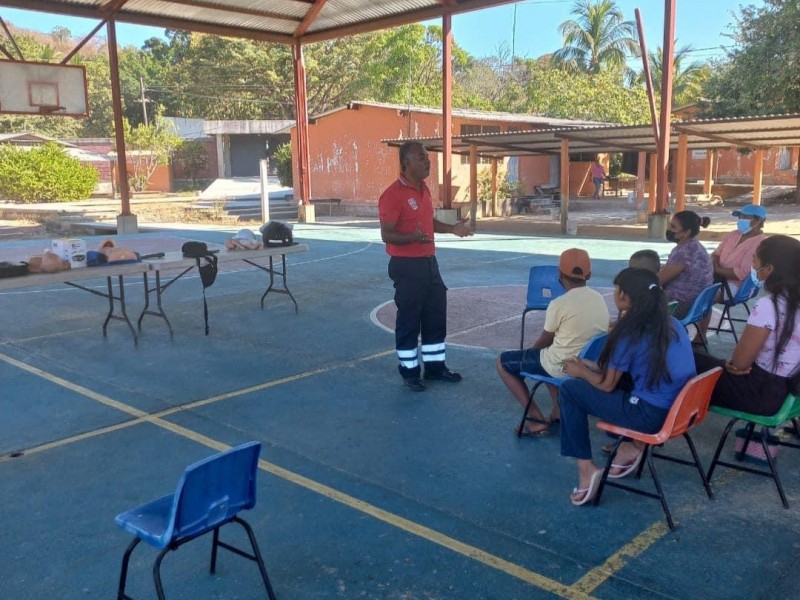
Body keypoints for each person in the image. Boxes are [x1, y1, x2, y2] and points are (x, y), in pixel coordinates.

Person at [558, 268, 696, 505]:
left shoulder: (630, 332)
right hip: (680, 410)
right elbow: (629, 368)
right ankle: (634, 446)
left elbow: (606, 385)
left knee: (570, 390)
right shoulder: (672, 324)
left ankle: (586, 469)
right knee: (612, 384)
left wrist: (580, 371)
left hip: (649, 416)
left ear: (622, 295)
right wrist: (591, 366)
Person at [379, 141, 473, 392]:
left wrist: (453, 229)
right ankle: (409, 371)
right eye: (421, 158)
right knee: (409, 320)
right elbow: (386, 234)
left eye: (427, 157)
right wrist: (412, 238)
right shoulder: (393, 195)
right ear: (406, 163)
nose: (427, 161)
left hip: (429, 263)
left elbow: (428, 223)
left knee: (435, 315)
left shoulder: (424, 190)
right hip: (406, 267)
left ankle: (435, 368)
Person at [496, 249, 609, 435]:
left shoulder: (559, 304)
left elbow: (543, 341)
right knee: (550, 352)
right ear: (588, 274)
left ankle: (535, 420)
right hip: (586, 364)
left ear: (559, 274)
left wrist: (529, 353)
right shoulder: (599, 299)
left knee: (503, 362)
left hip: (561, 365)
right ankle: (558, 411)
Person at [695, 235, 800, 416]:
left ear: (768, 269)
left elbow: (740, 364)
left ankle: (643, 434)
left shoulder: (770, 305)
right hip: (790, 395)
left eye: (754, 259)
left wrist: (733, 364)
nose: (752, 265)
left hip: (759, 394)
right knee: (701, 361)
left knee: (687, 363)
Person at [659, 210, 713, 319]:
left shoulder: (683, 252)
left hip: (681, 306)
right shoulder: (695, 246)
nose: (668, 229)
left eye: (673, 227)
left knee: (641, 296)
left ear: (686, 232)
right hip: (699, 304)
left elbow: (658, 280)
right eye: (669, 225)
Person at [712, 204, 767, 298]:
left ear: (757, 221)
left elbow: (741, 274)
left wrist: (713, 269)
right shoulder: (733, 235)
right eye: (739, 217)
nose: (740, 220)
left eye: (744, 217)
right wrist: (713, 262)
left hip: (737, 285)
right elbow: (716, 254)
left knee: (704, 299)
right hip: (717, 276)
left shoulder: (760, 244)